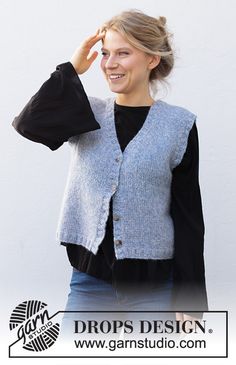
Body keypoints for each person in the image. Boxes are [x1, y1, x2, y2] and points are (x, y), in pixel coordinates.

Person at [12, 9, 208, 337]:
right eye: (106, 53)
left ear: (151, 60)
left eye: (123, 53)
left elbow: (188, 216)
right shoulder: (85, 112)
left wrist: (190, 299)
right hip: (90, 285)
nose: (109, 63)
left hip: (155, 291)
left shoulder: (179, 126)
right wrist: (71, 69)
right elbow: (28, 123)